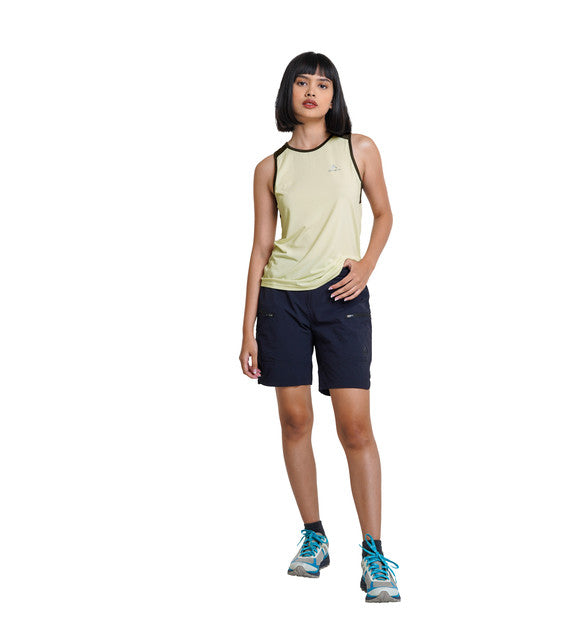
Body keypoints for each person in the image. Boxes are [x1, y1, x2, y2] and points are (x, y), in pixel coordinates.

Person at [239, 51, 400, 603]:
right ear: (288, 93)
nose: (312, 91)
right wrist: (247, 330)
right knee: (294, 421)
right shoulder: (270, 167)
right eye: (303, 82)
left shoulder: (358, 149)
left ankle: (374, 553)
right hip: (281, 301)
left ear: (334, 97)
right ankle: (314, 536)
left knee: (355, 428)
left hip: (340, 297)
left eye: (323, 84)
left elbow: (384, 213)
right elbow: (261, 247)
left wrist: (367, 265)